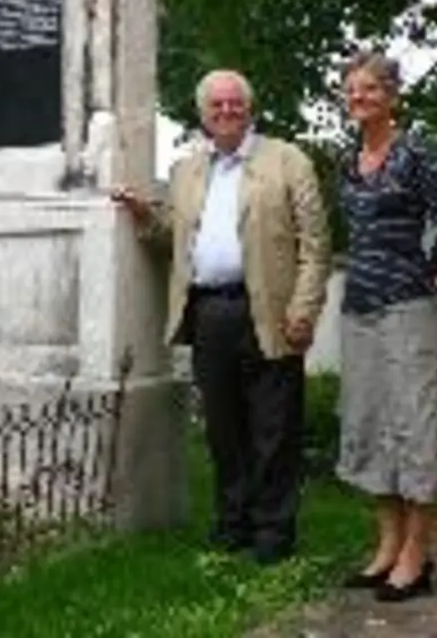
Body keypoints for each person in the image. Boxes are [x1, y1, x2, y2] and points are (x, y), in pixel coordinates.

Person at [111, 69, 328, 566]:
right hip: (209, 312)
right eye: (217, 105)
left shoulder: (286, 160)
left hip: (270, 312)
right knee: (224, 429)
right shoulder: (187, 170)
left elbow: (316, 245)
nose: (226, 111)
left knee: (273, 428)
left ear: (249, 108)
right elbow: (174, 237)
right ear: (203, 114)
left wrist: (304, 308)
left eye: (235, 103)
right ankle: (233, 523)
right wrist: (144, 216)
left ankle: (274, 530)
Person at [334, 50, 437, 604]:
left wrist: (430, 268)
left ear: (391, 96)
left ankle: (418, 555)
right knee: (369, 424)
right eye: (350, 89)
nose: (357, 97)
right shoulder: (346, 161)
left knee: (415, 428)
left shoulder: (414, 152)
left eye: (368, 89)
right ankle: (388, 547)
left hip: (407, 307)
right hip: (359, 307)